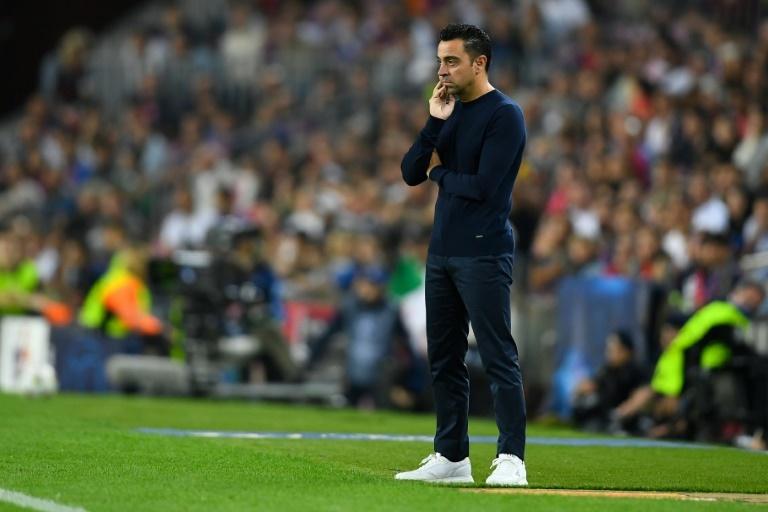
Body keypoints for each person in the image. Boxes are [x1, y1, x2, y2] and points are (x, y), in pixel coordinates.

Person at [396, 23, 528, 486]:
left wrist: (442, 176)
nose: (442, 70)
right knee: (444, 359)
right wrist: (434, 122)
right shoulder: (447, 109)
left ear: (480, 62)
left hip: (484, 252)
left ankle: (512, 457)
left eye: (452, 61)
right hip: (443, 252)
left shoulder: (504, 115)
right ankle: (451, 457)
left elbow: (485, 188)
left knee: (497, 356)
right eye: (440, 61)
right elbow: (411, 171)